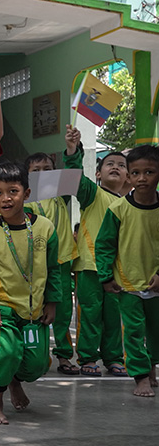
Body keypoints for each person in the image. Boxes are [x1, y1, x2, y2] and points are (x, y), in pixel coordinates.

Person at [0, 162, 60, 424]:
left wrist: (52, 302)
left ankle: (15, 380)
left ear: (27, 193)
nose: (5, 198)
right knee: (8, 352)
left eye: (13, 191)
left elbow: (54, 269)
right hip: (2, 307)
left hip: (34, 310)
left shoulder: (45, 228)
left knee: (38, 365)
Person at [95, 144, 159, 397]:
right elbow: (105, 245)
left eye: (150, 172)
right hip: (127, 284)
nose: (142, 178)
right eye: (136, 173)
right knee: (133, 331)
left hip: (156, 283)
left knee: (155, 331)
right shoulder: (118, 209)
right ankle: (140, 376)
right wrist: (106, 277)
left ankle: (151, 366)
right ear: (128, 176)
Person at [63, 125, 128, 376]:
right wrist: (72, 149)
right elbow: (75, 177)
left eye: (121, 166)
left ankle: (114, 358)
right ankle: (88, 358)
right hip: (89, 267)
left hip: (118, 270)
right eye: (109, 164)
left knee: (114, 316)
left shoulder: (131, 204)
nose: (115, 167)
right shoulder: (92, 193)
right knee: (89, 314)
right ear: (98, 174)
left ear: (129, 177)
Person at [24, 152, 78, 375]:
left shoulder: (60, 195)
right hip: (35, 264)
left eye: (47, 169)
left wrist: (73, 151)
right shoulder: (24, 199)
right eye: (36, 171)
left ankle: (64, 356)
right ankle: (38, 353)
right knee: (36, 309)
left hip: (61, 260)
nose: (42, 174)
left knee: (63, 311)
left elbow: (74, 173)